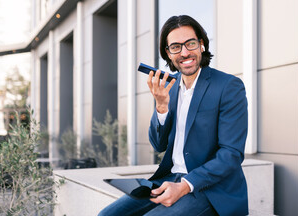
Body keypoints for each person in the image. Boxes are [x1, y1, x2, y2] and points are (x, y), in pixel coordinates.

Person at [98, 15, 248, 216]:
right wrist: (161, 106)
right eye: (176, 47)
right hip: (168, 179)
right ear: (168, 54)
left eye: (191, 43)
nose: (185, 52)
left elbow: (231, 154)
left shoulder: (228, 86)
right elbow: (158, 145)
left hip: (210, 188)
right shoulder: (170, 86)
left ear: (201, 45)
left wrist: (186, 185)